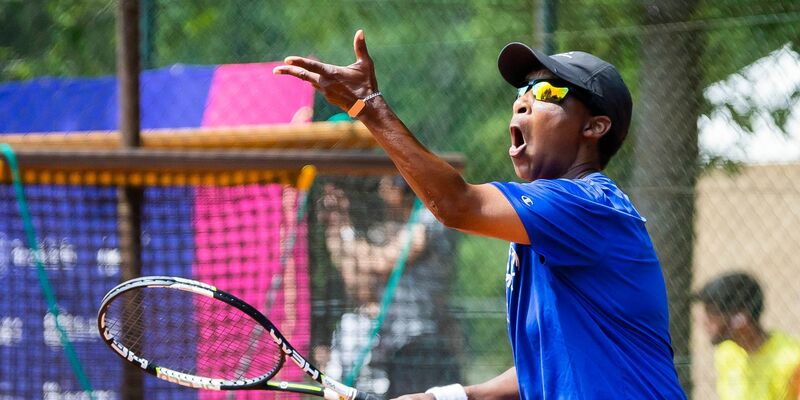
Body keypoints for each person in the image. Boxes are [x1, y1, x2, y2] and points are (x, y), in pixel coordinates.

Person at [274, 30, 686, 399]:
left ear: (594, 127)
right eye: (520, 93)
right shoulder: (547, 227)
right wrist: (446, 397)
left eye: (546, 94)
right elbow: (545, 365)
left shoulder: (586, 205)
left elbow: (456, 205)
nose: (522, 101)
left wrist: (369, 106)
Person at [316, 176, 461, 397]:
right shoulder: (385, 230)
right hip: (392, 345)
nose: (381, 189)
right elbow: (357, 279)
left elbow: (381, 262)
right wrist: (336, 226)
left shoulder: (430, 218)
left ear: (400, 189)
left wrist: (345, 231)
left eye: (386, 184)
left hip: (424, 341)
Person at [696, 272, 800, 400]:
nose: (704, 320)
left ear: (740, 318)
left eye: (712, 312)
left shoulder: (793, 359)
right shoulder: (725, 353)